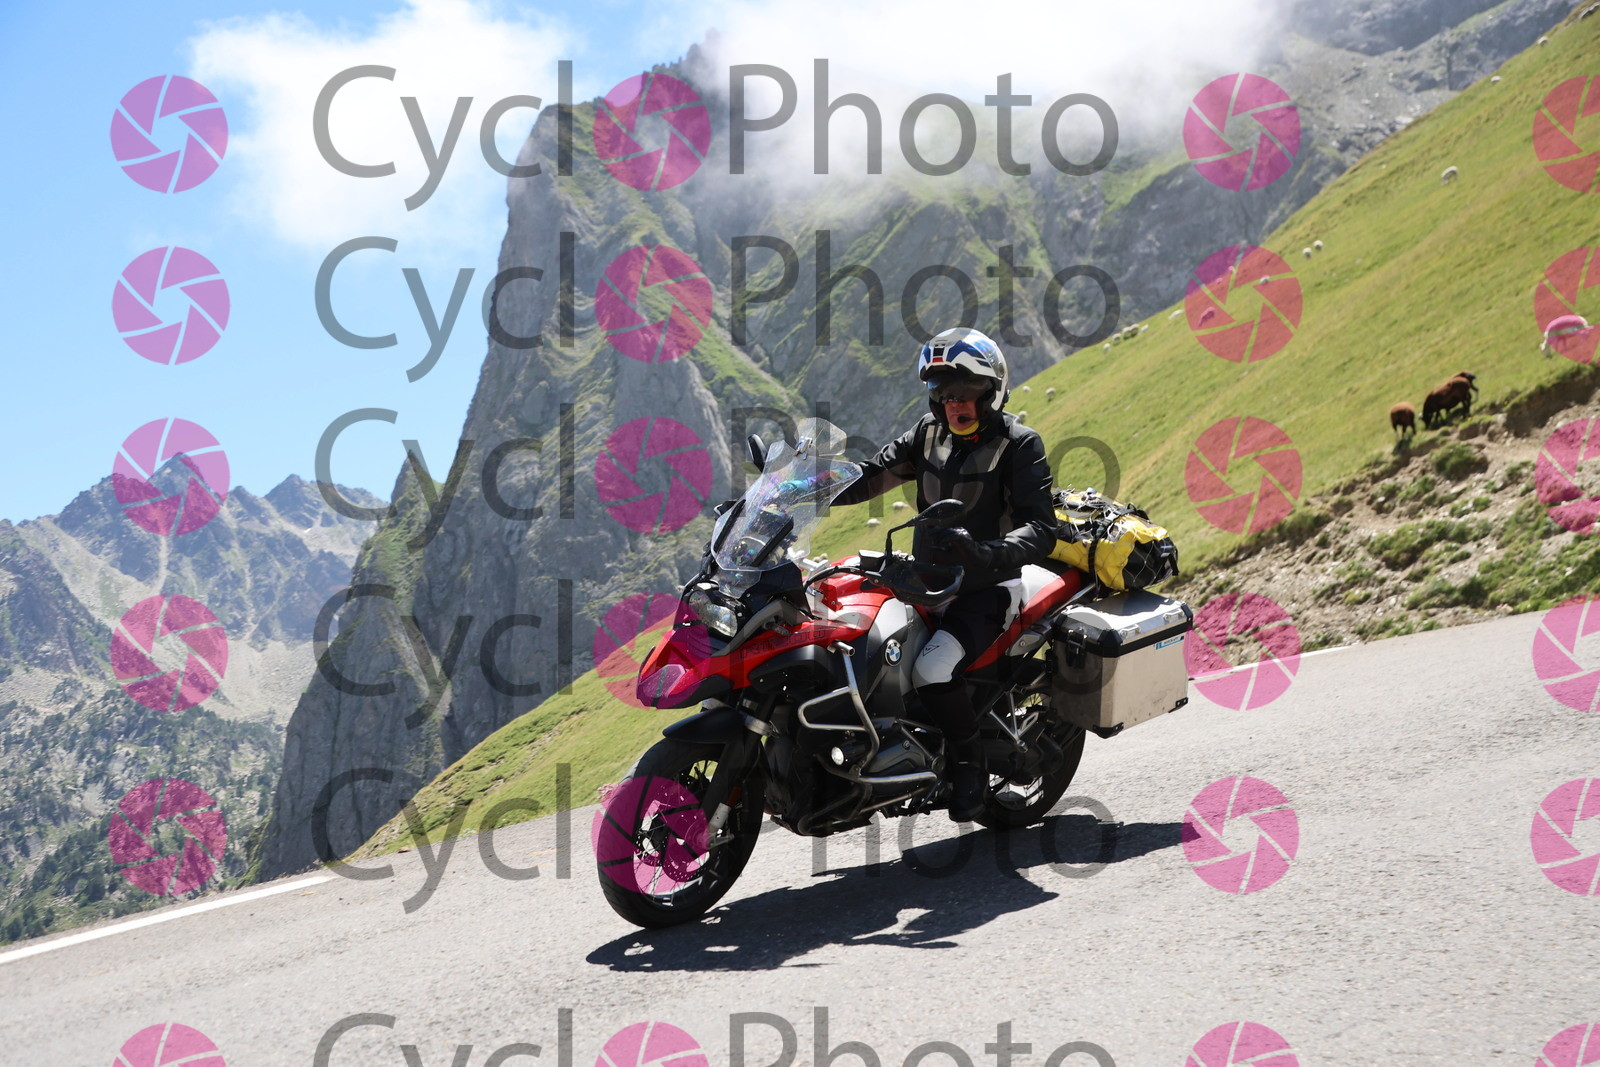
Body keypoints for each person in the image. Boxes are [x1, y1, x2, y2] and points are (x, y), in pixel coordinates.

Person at [832, 327, 1057, 821]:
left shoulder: (1020, 445)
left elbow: (1042, 528)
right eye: (944, 392)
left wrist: (986, 551)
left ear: (991, 390)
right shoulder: (926, 435)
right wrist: (805, 488)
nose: (955, 403)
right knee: (858, 646)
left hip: (988, 588)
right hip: (924, 583)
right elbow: (870, 476)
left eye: (966, 391)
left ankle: (970, 764)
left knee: (931, 669)